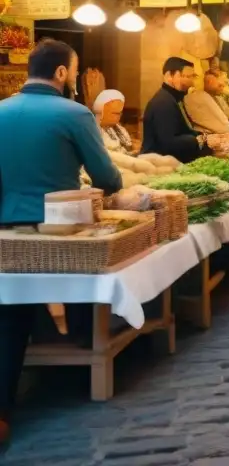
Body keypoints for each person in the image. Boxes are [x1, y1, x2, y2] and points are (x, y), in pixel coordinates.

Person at [0, 40, 122, 446]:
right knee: (80, 286)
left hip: (7, 224)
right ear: (62, 73)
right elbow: (107, 177)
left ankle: (6, 406)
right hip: (61, 226)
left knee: (12, 311)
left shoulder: (0, 110)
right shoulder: (74, 112)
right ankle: (79, 367)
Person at [141, 57, 213, 163]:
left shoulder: (173, 98)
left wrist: (206, 138)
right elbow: (169, 143)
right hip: (158, 165)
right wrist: (199, 140)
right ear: (169, 75)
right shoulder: (163, 102)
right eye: (188, 77)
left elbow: (183, 131)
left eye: (192, 77)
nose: (192, 83)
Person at [184, 69, 229, 135]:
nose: (222, 88)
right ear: (210, 82)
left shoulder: (217, 97)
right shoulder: (198, 97)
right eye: (220, 85)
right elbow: (222, 127)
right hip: (205, 134)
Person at [92, 89, 134, 154]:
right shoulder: (91, 130)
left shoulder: (120, 129)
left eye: (120, 113)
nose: (119, 116)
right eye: (116, 113)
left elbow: (129, 148)